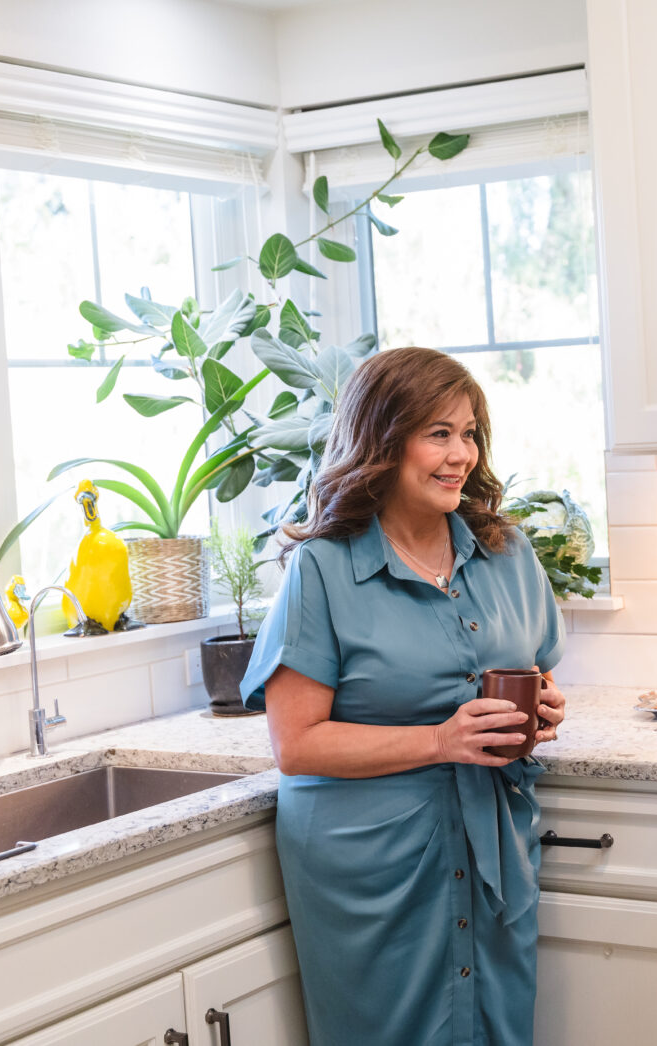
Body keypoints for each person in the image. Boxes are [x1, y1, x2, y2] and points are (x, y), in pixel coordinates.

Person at [240, 346, 567, 1046]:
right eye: (438, 433)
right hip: (372, 871)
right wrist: (439, 741)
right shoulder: (323, 571)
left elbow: (535, 670)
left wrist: (544, 703)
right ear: (383, 443)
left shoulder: (507, 553)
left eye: (470, 432)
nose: (462, 455)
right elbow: (296, 745)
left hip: (491, 848)